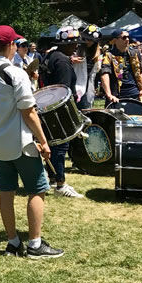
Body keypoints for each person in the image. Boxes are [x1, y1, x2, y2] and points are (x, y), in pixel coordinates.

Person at [0, 25, 62, 259]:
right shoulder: (17, 74)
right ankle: (35, 244)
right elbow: (29, 112)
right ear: (11, 45)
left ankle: (13, 241)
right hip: (21, 142)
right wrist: (44, 141)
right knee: (37, 189)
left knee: (6, 191)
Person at [37, 28, 84, 198]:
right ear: (65, 44)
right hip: (59, 109)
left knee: (54, 145)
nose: (76, 46)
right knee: (60, 146)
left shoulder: (51, 56)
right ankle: (60, 184)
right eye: (73, 43)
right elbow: (63, 89)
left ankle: (52, 178)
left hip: (47, 107)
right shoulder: (62, 61)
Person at [100, 29, 142, 104]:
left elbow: (140, 72)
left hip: (134, 92)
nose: (127, 39)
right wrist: (109, 94)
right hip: (116, 95)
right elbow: (104, 74)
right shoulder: (109, 56)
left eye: (128, 37)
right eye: (124, 37)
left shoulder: (134, 53)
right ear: (115, 40)